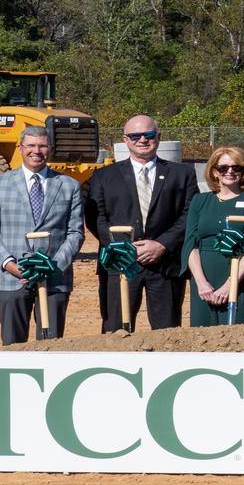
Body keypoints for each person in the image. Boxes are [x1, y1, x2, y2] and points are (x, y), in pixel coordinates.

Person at [83, 115, 197, 332]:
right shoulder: (103, 176)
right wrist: (123, 248)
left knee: (167, 333)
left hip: (165, 265)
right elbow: (95, 218)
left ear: (158, 137)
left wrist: (162, 244)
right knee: (116, 331)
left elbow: (189, 215)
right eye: (135, 135)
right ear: (125, 140)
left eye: (149, 135)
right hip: (119, 265)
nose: (142, 140)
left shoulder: (182, 174)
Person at [0, 127, 84, 344]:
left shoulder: (69, 186)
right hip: (10, 279)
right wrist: (10, 265)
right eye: (31, 146)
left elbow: (75, 233)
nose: (37, 151)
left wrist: (53, 266)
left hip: (54, 280)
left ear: (50, 149)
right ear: (20, 148)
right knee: (12, 346)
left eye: (42, 145)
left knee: (51, 345)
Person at [182, 147, 244, 326]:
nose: (230, 171)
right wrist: (201, 283)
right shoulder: (200, 201)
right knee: (202, 339)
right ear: (214, 172)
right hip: (203, 281)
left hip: (240, 280)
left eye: (236, 167)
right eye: (223, 168)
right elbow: (191, 244)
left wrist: (229, 286)